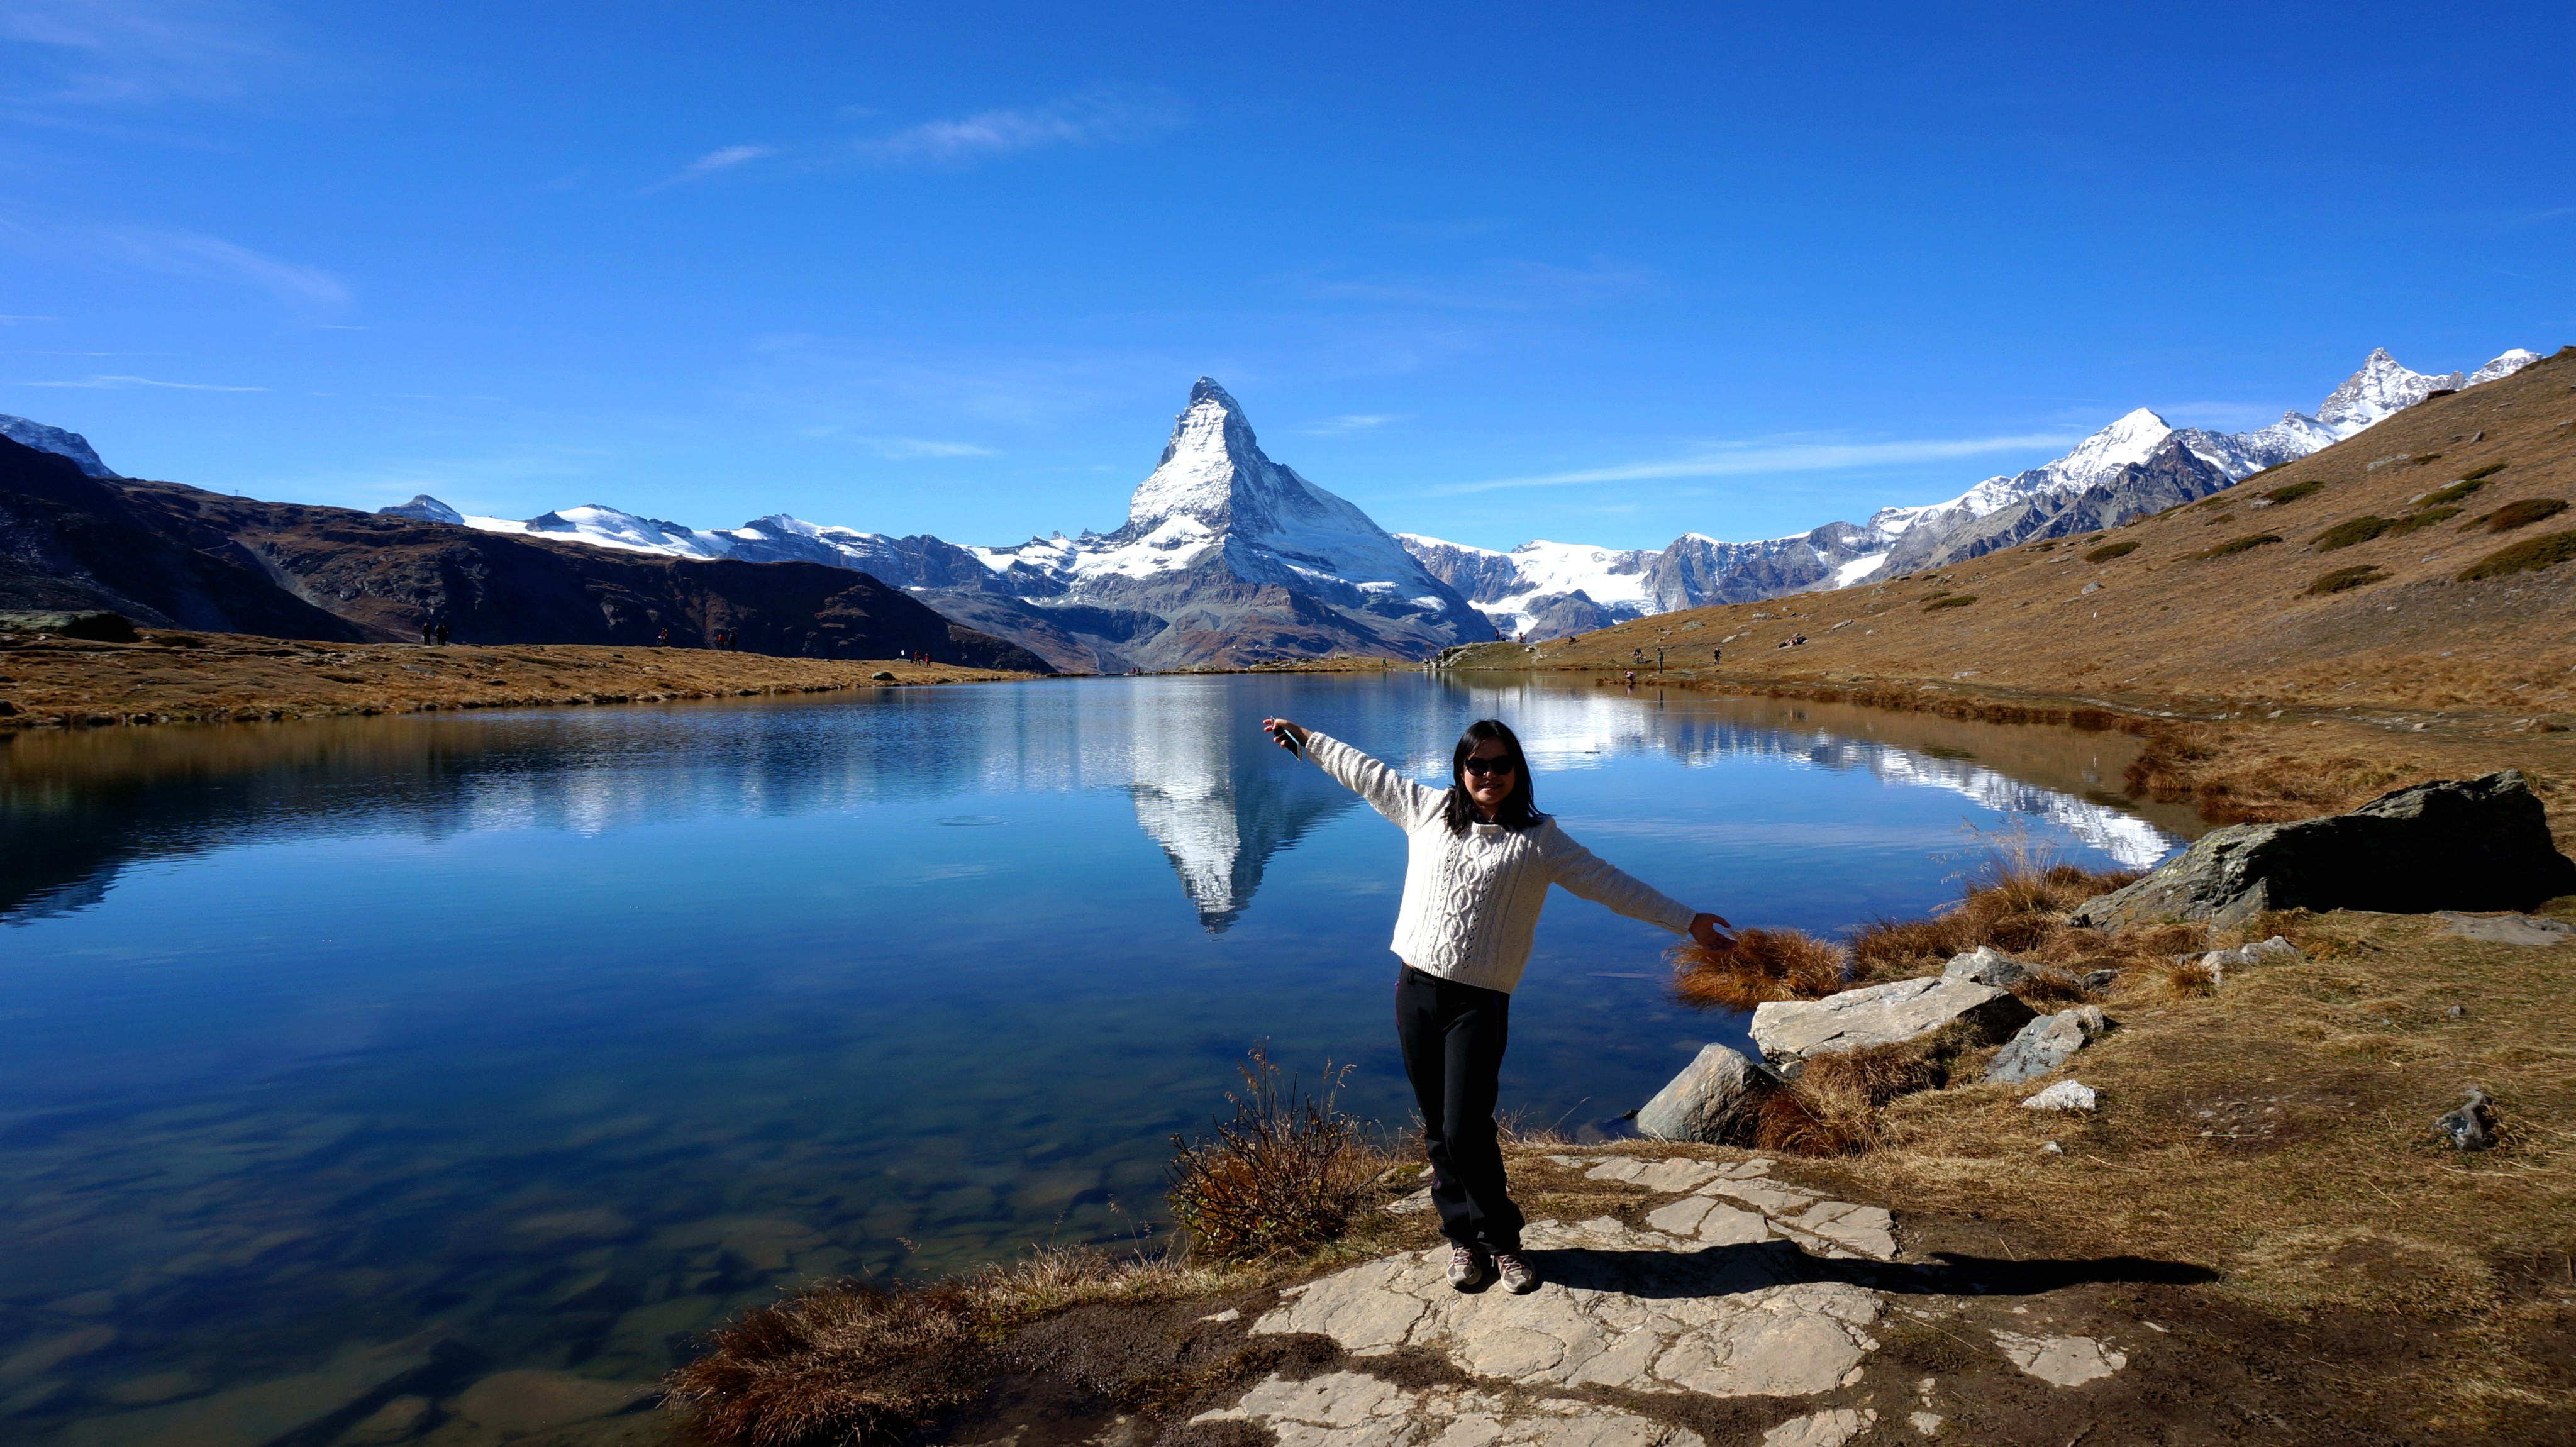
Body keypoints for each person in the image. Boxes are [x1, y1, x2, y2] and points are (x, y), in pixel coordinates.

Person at [1257, 715, 1732, 1296]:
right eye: (1477, 764)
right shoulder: (1426, 809)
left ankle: (1503, 1243)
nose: (1489, 774)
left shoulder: (1539, 840)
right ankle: (1461, 1240)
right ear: (1461, 769)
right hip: (1415, 990)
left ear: (1517, 770)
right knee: (1438, 1126)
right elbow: (1365, 772)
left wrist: (1688, 920)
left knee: (1467, 1127)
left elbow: (1610, 884)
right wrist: (1309, 742)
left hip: (1479, 1002)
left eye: (1500, 764)